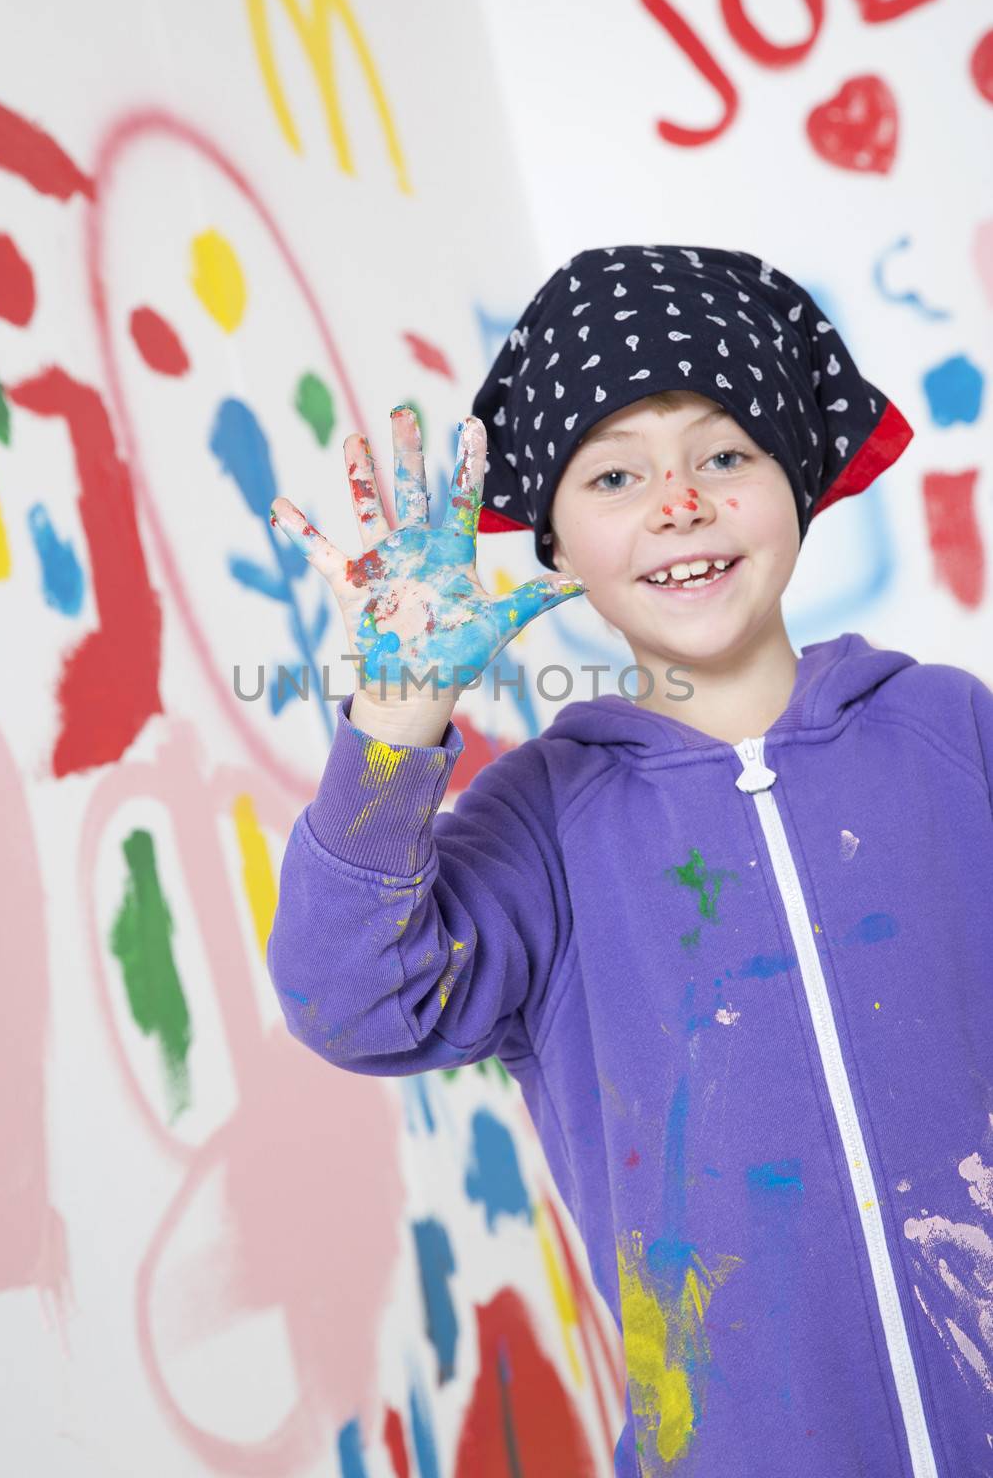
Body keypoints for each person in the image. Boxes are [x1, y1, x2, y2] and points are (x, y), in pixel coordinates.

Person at [266, 245, 993, 1478]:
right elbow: (349, 1000)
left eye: (723, 454)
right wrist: (396, 714)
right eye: (614, 474)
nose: (678, 502)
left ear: (796, 487)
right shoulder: (539, 824)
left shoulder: (946, 731)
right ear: (551, 542)